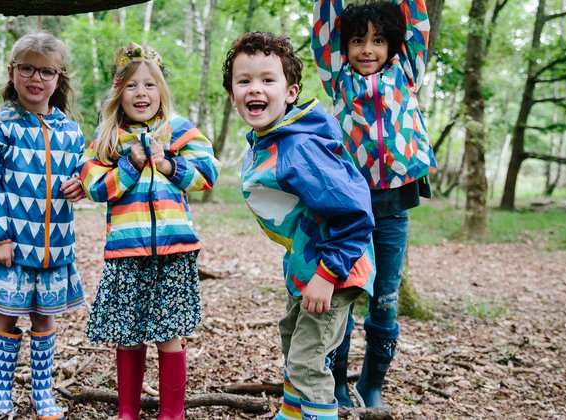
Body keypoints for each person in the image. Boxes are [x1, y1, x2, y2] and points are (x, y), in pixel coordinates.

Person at [222, 31, 376, 420]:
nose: (255, 88)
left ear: (290, 92)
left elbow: (356, 213)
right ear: (232, 95)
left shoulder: (300, 147)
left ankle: (319, 414)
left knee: (308, 360)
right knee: (293, 340)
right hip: (307, 267)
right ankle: (292, 413)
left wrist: (327, 274)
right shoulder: (269, 139)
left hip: (335, 270)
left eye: (267, 80)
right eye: (245, 81)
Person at [80, 42, 221, 420]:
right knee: (128, 334)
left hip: (174, 250)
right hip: (127, 250)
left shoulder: (179, 131)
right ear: (118, 92)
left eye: (150, 85)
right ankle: (127, 412)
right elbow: (95, 187)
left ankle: (171, 413)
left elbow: (208, 175)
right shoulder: (108, 138)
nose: (141, 94)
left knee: (169, 333)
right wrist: (131, 164)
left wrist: (170, 165)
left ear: (162, 91)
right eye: (131, 86)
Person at [312, 0, 438, 408]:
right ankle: (335, 386)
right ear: (344, 47)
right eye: (358, 40)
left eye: (379, 41)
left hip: (393, 208)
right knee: (344, 299)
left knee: (384, 300)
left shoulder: (406, 72)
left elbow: (416, 21)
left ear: (393, 46)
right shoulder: (338, 78)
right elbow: (324, 24)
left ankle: (372, 385)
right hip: (348, 211)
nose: (368, 49)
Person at [0, 31, 86, 420]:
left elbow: (86, 172)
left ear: (59, 77)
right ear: (12, 71)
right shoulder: (1, 124)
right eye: (27, 69)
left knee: (44, 317)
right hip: (12, 246)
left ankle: (42, 391)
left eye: (46, 71)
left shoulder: (70, 130)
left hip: (54, 245)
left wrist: (82, 184)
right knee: (5, 313)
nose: (36, 78)